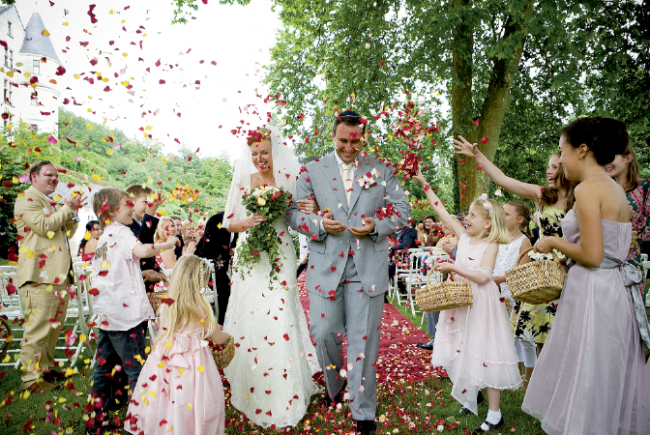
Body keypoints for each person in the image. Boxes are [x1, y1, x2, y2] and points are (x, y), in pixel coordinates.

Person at [522, 117, 650, 435]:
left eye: (562, 150)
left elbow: (592, 256)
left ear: (582, 150)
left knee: (589, 373)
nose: (561, 159)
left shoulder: (589, 189)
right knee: (603, 373)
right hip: (613, 289)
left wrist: (551, 241)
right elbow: (605, 250)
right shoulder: (614, 189)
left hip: (595, 292)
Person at [288, 111, 411, 435]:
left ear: (362, 138)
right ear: (334, 137)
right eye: (343, 140)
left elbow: (403, 211)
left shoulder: (381, 169)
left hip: (366, 268)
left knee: (363, 341)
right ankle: (335, 384)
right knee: (324, 331)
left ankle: (363, 411)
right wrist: (317, 224)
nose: (348, 146)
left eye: (355, 141)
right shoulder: (311, 170)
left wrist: (376, 226)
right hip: (324, 267)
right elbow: (293, 214)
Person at [222, 126, 321, 429]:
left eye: (264, 152)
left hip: (281, 252)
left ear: (274, 151)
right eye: (254, 154)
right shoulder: (243, 180)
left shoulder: (290, 178)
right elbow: (229, 224)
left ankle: (287, 390)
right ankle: (252, 381)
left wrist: (311, 207)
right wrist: (249, 221)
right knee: (253, 314)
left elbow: (301, 213)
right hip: (252, 255)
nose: (260, 158)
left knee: (281, 313)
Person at [414, 170, 521, 433]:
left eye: (472, 215)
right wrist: (424, 183)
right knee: (460, 348)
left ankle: (495, 414)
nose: (466, 218)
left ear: (487, 223)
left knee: (487, 352)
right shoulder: (463, 237)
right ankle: (470, 393)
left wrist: (455, 268)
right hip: (460, 302)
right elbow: (441, 212)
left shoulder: (491, 244)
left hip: (482, 304)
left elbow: (484, 276)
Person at [454, 138, 577, 353]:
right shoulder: (543, 197)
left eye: (555, 167)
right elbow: (503, 180)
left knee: (561, 331)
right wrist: (478, 156)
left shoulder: (579, 199)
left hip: (568, 265)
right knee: (537, 329)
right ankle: (534, 379)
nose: (549, 172)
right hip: (539, 272)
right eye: (548, 166)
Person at [87, 188, 180, 434]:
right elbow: (142, 251)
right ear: (113, 210)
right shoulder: (121, 231)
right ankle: (142, 424)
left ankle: (98, 421)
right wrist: (168, 243)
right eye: (127, 203)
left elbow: (114, 273)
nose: (131, 207)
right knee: (137, 368)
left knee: (103, 369)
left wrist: (140, 273)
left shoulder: (105, 236)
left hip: (107, 313)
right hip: (124, 317)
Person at [125, 255, 231, 435]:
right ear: (199, 283)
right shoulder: (201, 307)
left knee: (167, 396)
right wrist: (227, 334)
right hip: (194, 361)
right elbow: (218, 338)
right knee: (193, 395)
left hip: (166, 357)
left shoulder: (167, 304)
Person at [14, 161, 85, 392]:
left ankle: (44, 368)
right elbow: (44, 227)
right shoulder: (27, 199)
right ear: (33, 176)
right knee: (38, 329)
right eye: (49, 175)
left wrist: (72, 213)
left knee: (53, 328)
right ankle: (31, 380)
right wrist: (66, 209)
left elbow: (63, 232)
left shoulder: (50, 203)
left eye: (56, 176)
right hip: (38, 275)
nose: (55, 179)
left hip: (57, 275)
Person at [492, 201, 537, 390]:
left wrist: (501, 279)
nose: (502, 216)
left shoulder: (523, 241)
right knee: (507, 337)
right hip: (499, 294)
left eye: (507, 214)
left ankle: (529, 377)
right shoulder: (499, 238)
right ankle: (514, 375)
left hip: (516, 296)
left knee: (523, 337)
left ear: (520, 220)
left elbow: (522, 273)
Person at [605, 144, 650, 303]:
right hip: (602, 265)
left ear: (628, 158)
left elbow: (648, 234)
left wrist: (632, 215)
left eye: (612, 157)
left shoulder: (645, 188)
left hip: (630, 265)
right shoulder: (601, 190)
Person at [194, 212, 238, 324]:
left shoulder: (243, 222)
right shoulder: (217, 220)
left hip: (228, 264)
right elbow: (207, 248)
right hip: (207, 264)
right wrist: (227, 253)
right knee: (226, 289)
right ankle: (222, 322)